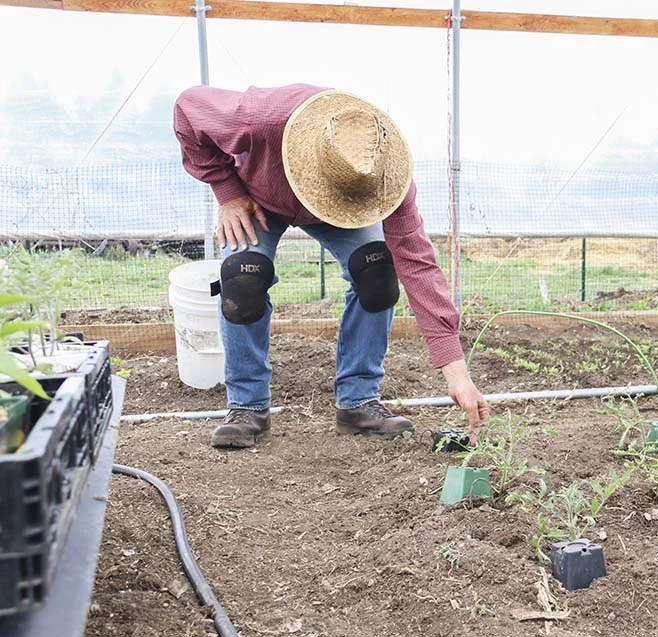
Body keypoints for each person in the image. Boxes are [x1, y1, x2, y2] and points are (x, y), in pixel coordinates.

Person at [172, 83, 489, 448]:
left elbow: (419, 266)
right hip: (259, 197)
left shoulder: (380, 170)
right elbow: (187, 108)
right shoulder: (258, 119)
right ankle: (247, 406)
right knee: (242, 280)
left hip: (343, 207)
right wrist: (227, 193)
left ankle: (358, 402)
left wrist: (457, 372)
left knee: (377, 272)